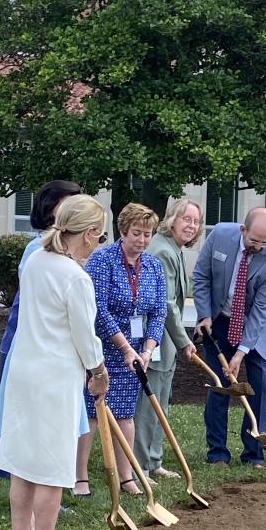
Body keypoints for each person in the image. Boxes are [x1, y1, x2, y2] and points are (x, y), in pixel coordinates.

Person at [0, 195, 109, 530]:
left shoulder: (35, 262)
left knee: (24, 461)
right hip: (54, 378)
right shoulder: (75, 276)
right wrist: (99, 372)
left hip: (23, 371)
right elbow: (85, 336)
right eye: (102, 235)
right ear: (89, 234)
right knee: (52, 466)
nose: (100, 241)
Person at [0, 180, 82, 479]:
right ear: (50, 208)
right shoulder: (38, 248)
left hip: (53, 351)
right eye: (70, 204)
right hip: (31, 346)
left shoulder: (70, 251)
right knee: (31, 425)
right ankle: (36, 483)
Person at [74, 203, 167, 496]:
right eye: (136, 233)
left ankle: (127, 476)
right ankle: (80, 477)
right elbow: (98, 309)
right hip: (103, 349)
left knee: (125, 414)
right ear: (122, 231)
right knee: (92, 412)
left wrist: (147, 350)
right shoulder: (102, 261)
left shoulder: (153, 266)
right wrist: (125, 347)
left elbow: (159, 312)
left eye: (147, 234)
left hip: (137, 355)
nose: (142, 240)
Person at [192, 206, 266, 468]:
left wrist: (242, 351)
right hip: (219, 320)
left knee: (259, 385)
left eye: (265, 242)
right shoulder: (221, 235)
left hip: (255, 326)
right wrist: (204, 315)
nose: (259, 247)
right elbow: (201, 276)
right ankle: (218, 452)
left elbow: (262, 309)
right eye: (254, 241)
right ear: (242, 230)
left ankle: (254, 452)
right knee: (219, 383)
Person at [132, 198, 202, 479]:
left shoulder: (175, 249)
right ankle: (140, 467)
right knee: (149, 404)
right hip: (155, 339)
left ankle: (154, 461)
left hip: (166, 341)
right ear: (172, 219)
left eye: (196, 222)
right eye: (187, 219)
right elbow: (168, 304)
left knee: (160, 399)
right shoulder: (162, 250)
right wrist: (184, 340)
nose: (191, 226)